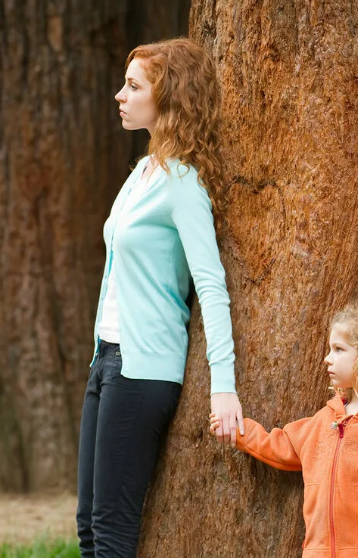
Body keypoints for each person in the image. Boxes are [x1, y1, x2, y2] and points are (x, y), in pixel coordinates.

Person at [76, 38, 244, 557]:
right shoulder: (140, 175)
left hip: (143, 371)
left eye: (133, 87)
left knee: (112, 530)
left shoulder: (183, 185)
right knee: (88, 526)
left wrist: (224, 386)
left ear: (167, 97)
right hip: (106, 360)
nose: (119, 96)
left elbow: (211, 284)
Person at [210, 301, 358, 558]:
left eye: (339, 349)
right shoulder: (325, 419)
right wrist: (238, 430)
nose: (327, 358)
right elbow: (280, 445)